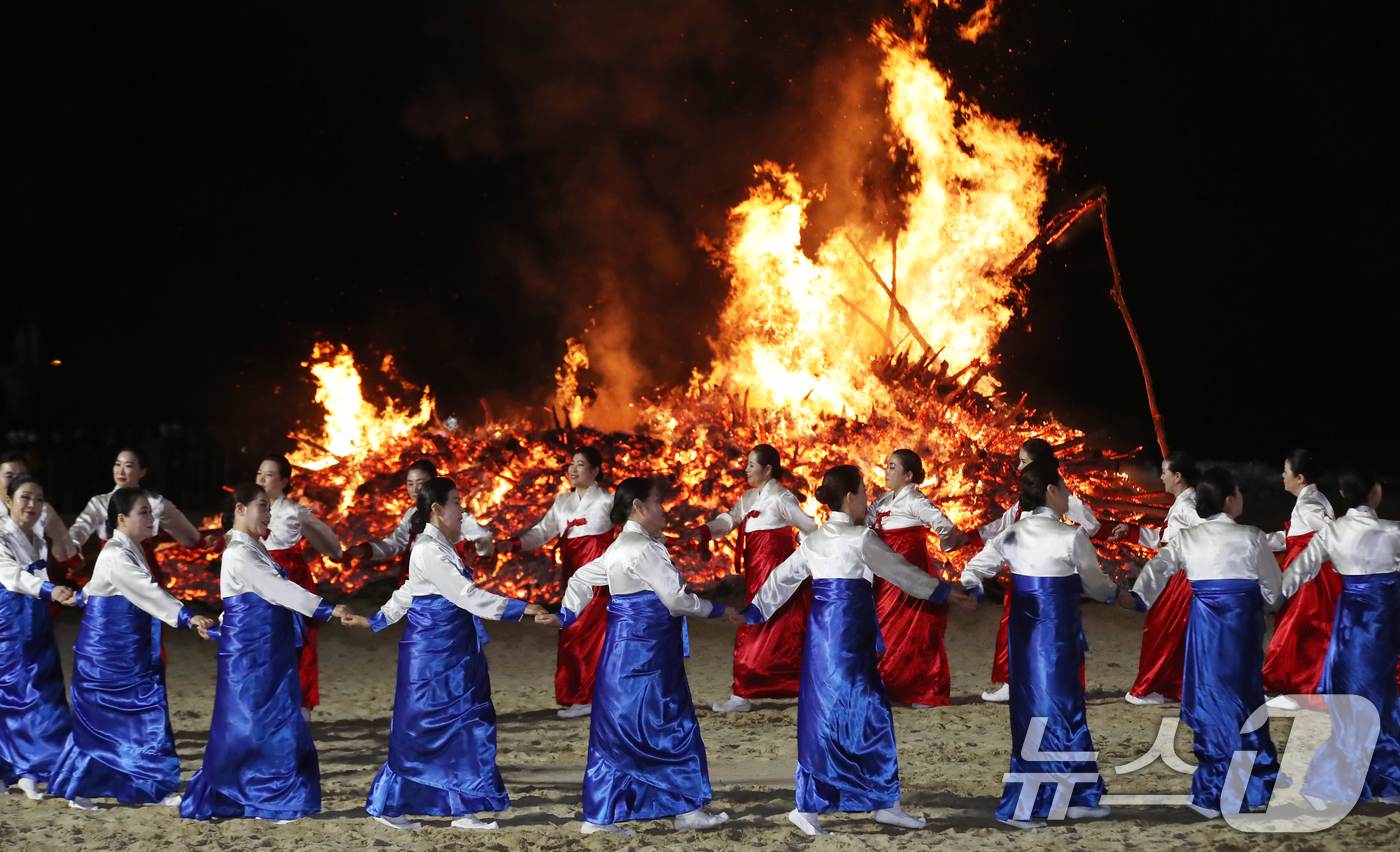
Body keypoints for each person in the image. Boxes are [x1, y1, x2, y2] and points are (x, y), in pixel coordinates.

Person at [746, 464, 972, 835]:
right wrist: (948, 592)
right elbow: (904, 573)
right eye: (865, 492)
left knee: (824, 716)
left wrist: (754, 612)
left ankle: (835, 804)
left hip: (825, 639)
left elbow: (780, 579)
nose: (869, 498)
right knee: (870, 711)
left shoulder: (816, 540)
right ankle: (875, 801)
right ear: (850, 498)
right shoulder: (860, 538)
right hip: (846, 637)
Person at [341, 477, 551, 830]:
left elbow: (410, 590)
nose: (462, 508)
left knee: (453, 726)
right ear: (437, 509)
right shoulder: (430, 549)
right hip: (436, 653)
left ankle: (454, 808)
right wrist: (522, 608)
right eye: (456, 502)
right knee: (436, 727)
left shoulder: (437, 546)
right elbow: (466, 595)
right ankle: (405, 805)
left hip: (451, 648)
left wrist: (375, 620)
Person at [542, 477, 738, 836]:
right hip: (648, 655)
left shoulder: (621, 546)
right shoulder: (644, 549)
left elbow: (582, 578)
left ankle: (608, 814)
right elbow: (676, 599)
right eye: (658, 501)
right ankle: (683, 808)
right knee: (670, 723)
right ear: (639, 507)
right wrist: (715, 609)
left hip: (624, 651)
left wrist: (566, 614)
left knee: (620, 730)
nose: (663, 508)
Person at [180, 484, 355, 823]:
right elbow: (277, 590)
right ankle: (266, 797)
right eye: (262, 505)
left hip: (268, 650)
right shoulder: (239, 552)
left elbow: (241, 601)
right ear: (240, 510)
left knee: (265, 723)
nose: (269, 513)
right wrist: (326, 609)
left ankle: (257, 797)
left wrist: (217, 626)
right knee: (255, 725)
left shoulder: (253, 549)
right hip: (252, 656)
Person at [962, 462, 1117, 829]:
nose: (1068, 494)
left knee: (1055, 709)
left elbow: (974, 568)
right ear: (1051, 490)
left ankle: (1077, 795)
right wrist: (1117, 594)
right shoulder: (1070, 536)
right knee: (1054, 710)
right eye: (1064, 488)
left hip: (1030, 635)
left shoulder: (1013, 534)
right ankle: (1024, 806)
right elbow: (1097, 586)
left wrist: (972, 588)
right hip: (1054, 637)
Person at [46, 487, 214, 810]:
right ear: (121, 519)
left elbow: (99, 587)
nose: (151, 519)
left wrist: (80, 596)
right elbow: (147, 591)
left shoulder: (126, 549)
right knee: (130, 719)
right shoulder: (117, 554)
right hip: (108, 657)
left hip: (123, 653)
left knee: (119, 722)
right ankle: (138, 787)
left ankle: (139, 787)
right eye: (144, 513)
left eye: (151, 513)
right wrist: (188, 617)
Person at [1134, 466, 1282, 818]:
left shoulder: (1188, 539)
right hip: (1243, 629)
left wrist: (1137, 598)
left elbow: (1159, 567)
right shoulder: (1252, 536)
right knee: (1246, 701)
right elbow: (1274, 592)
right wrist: (1258, 601)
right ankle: (1256, 785)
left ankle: (1215, 787)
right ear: (1230, 500)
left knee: (1212, 701)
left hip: (1206, 630)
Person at [1282, 470, 1400, 806]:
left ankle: (1354, 775)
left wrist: (1264, 597)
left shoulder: (1332, 532)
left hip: (1348, 626)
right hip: (1382, 628)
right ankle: (1387, 780)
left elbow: (1297, 572)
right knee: (1383, 698)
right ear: (1375, 491)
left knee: (1349, 699)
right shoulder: (1392, 531)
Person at [684, 444, 818, 714]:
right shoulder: (747, 498)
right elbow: (730, 520)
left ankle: (745, 693)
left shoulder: (782, 497)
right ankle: (746, 691)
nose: (746, 469)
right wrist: (705, 531)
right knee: (760, 630)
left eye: (751, 464)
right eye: (746, 464)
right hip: (756, 574)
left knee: (778, 632)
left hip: (779, 576)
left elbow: (810, 527)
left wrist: (801, 562)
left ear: (768, 469)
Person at [969, 438, 1104, 702]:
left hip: (1053, 579)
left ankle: (1061, 684)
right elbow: (1001, 526)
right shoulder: (1023, 503)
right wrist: (968, 538)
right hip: (1023, 577)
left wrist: (1066, 540)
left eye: (1023, 461)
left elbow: (1092, 524)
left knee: (1059, 634)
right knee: (1014, 628)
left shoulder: (1061, 498)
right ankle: (1014, 682)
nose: (1018, 467)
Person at [499, 446, 615, 719]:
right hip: (573, 580)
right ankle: (578, 695)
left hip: (600, 582)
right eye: (571, 464)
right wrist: (512, 544)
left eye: (581, 464)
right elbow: (541, 533)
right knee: (571, 633)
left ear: (596, 470)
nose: (573, 469)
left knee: (589, 636)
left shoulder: (608, 501)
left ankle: (587, 697)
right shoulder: (562, 502)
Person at [866, 449, 967, 708]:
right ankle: (888, 688)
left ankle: (922, 690)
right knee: (883, 630)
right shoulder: (883, 500)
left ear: (909, 475)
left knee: (914, 631)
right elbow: (865, 521)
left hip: (908, 573)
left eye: (892, 467)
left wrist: (948, 546)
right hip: (884, 575)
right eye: (886, 466)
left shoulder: (915, 500)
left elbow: (944, 525)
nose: (886, 471)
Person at [0, 475, 80, 799]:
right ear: (8, 500)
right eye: (25, 497)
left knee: (47, 695)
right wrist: (49, 589)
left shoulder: (38, 537)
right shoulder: (2, 536)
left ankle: (32, 769)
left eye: (38, 498)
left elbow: (67, 554)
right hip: (10, 624)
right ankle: (22, 770)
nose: (32, 505)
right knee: (17, 697)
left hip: (38, 621)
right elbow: (11, 574)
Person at [255, 454, 346, 718]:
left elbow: (325, 538)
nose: (261, 479)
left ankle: (300, 707)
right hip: (260, 581)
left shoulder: (295, 511)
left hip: (292, 579)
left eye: (268, 474)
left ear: (284, 481)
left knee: (299, 643)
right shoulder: (249, 510)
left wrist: (339, 555)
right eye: (259, 473)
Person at [1112, 451, 1205, 704]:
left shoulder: (1188, 505)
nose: (1160, 476)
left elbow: (1207, 530)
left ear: (1177, 475)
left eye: (1164, 472)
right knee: (1170, 631)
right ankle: (1170, 685)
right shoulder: (1182, 502)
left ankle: (1152, 688)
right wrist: (1132, 532)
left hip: (1186, 578)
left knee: (1164, 630)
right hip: (1180, 576)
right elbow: (1167, 538)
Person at [1261, 449, 1338, 707]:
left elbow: (1331, 533)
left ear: (1300, 477)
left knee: (1292, 630)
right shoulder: (1313, 499)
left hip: (1308, 579)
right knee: (1305, 632)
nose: (1283, 476)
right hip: (1310, 576)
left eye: (1286, 471)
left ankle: (1289, 689)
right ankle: (1298, 688)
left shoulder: (1308, 504)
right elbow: (1293, 537)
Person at [66, 448, 207, 585]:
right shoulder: (100, 502)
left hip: (145, 569)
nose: (120, 471)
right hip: (110, 569)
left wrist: (204, 543)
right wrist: (72, 552)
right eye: (117, 464)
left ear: (142, 471)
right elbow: (80, 528)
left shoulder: (155, 502)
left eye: (128, 466)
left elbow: (185, 531)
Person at [344, 459, 495, 586]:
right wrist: (364, 551)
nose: (415, 489)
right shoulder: (411, 515)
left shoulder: (451, 514)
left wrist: (483, 553)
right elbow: (395, 544)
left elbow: (483, 536)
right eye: (410, 484)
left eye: (420, 483)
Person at [0, 450, 78, 564]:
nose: (16, 482)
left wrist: (73, 564)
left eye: (22, 476)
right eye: (9, 476)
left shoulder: (42, 509)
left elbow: (64, 546)